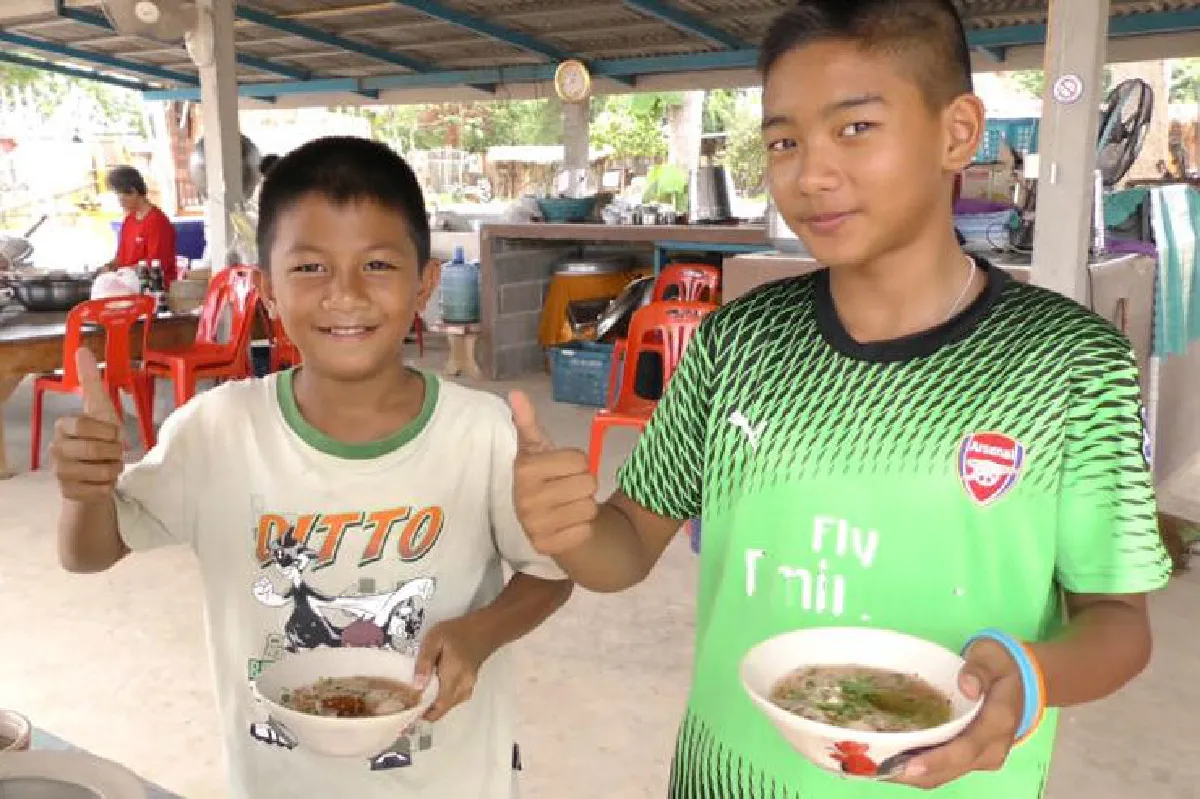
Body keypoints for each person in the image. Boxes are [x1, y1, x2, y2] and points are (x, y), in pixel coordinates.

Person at [511, 1, 1171, 797]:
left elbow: (1119, 622)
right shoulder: (737, 343)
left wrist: (1030, 679)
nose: (810, 173)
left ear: (957, 132)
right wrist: (571, 529)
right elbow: (625, 545)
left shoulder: (1068, 363)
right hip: (731, 775)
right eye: (784, 141)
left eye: (855, 128)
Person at [51, 136, 572, 799]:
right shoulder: (216, 432)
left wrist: (481, 631)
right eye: (310, 268)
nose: (345, 294)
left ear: (425, 284)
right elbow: (89, 552)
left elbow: (552, 573)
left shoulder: (482, 434)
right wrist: (85, 488)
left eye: (378, 264)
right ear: (266, 290)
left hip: (453, 781)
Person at [104, 165, 178, 286]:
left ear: (133, 191)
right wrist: (109, 266)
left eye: (119, 194)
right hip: (127, 283)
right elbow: (121, 258)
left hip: (153, 288)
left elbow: (155, 266)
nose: (119, 200)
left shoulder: (158, 222)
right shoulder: (129, 221)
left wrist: (122, 273)